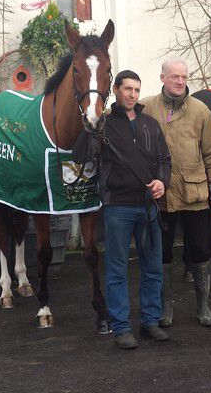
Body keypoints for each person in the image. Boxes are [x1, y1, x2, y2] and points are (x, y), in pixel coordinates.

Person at [74, 70, 172, 349]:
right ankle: (121, 327)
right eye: (127, 88)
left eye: (136, 90)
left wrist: (162, 183)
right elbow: (80, 157)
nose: (132, 95)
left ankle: (150, 321)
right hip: (118, 207)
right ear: (115, 90)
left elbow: (164, 160)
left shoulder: (150, 124)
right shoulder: (103, 124)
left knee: (153, 267)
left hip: (149, 207)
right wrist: (89, 125)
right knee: (117, 270)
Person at [140, 58, 211, 328]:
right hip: (161, 196)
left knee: (200, 252)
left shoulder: (201, 111)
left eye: (184, 77)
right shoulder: (146, 107)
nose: (180, 81)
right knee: (162, 254)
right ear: (163, 77)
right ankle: (166, 309)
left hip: (195, 194)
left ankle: (203, 307)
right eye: (175, 76)